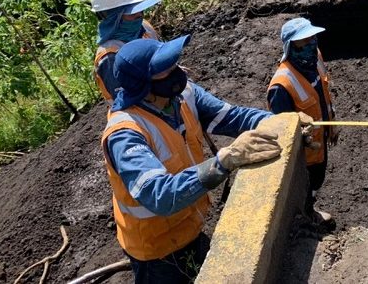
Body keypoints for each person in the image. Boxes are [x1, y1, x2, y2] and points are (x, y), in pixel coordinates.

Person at [102, 35, 308, 283]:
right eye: (166, 69)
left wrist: (283, 121)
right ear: (143, 86)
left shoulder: (183, 96)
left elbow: (233, 117)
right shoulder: (125, 133)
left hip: (191, 226)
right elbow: (160, 196)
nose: (177, 71)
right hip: (156, 251)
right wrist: (224, 161)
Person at [267, 17, 337, 227]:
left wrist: (332, 125)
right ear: (290, 47)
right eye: (303, 42)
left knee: (317, 179)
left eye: (312, 38)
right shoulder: (281, 86)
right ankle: (305, 216)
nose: (310, 45)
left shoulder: (315, 58)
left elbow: (323, 95)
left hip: (320, 141)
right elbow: (284, 129)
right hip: (305, 154)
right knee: (306, 184)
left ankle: (309, 206)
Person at [91, 0, 162, 104]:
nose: (139, 15)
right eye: (132, 12)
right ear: (113, 17)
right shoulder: (110, 56)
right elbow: (128, 100)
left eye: (140, 9)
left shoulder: (144, 27)